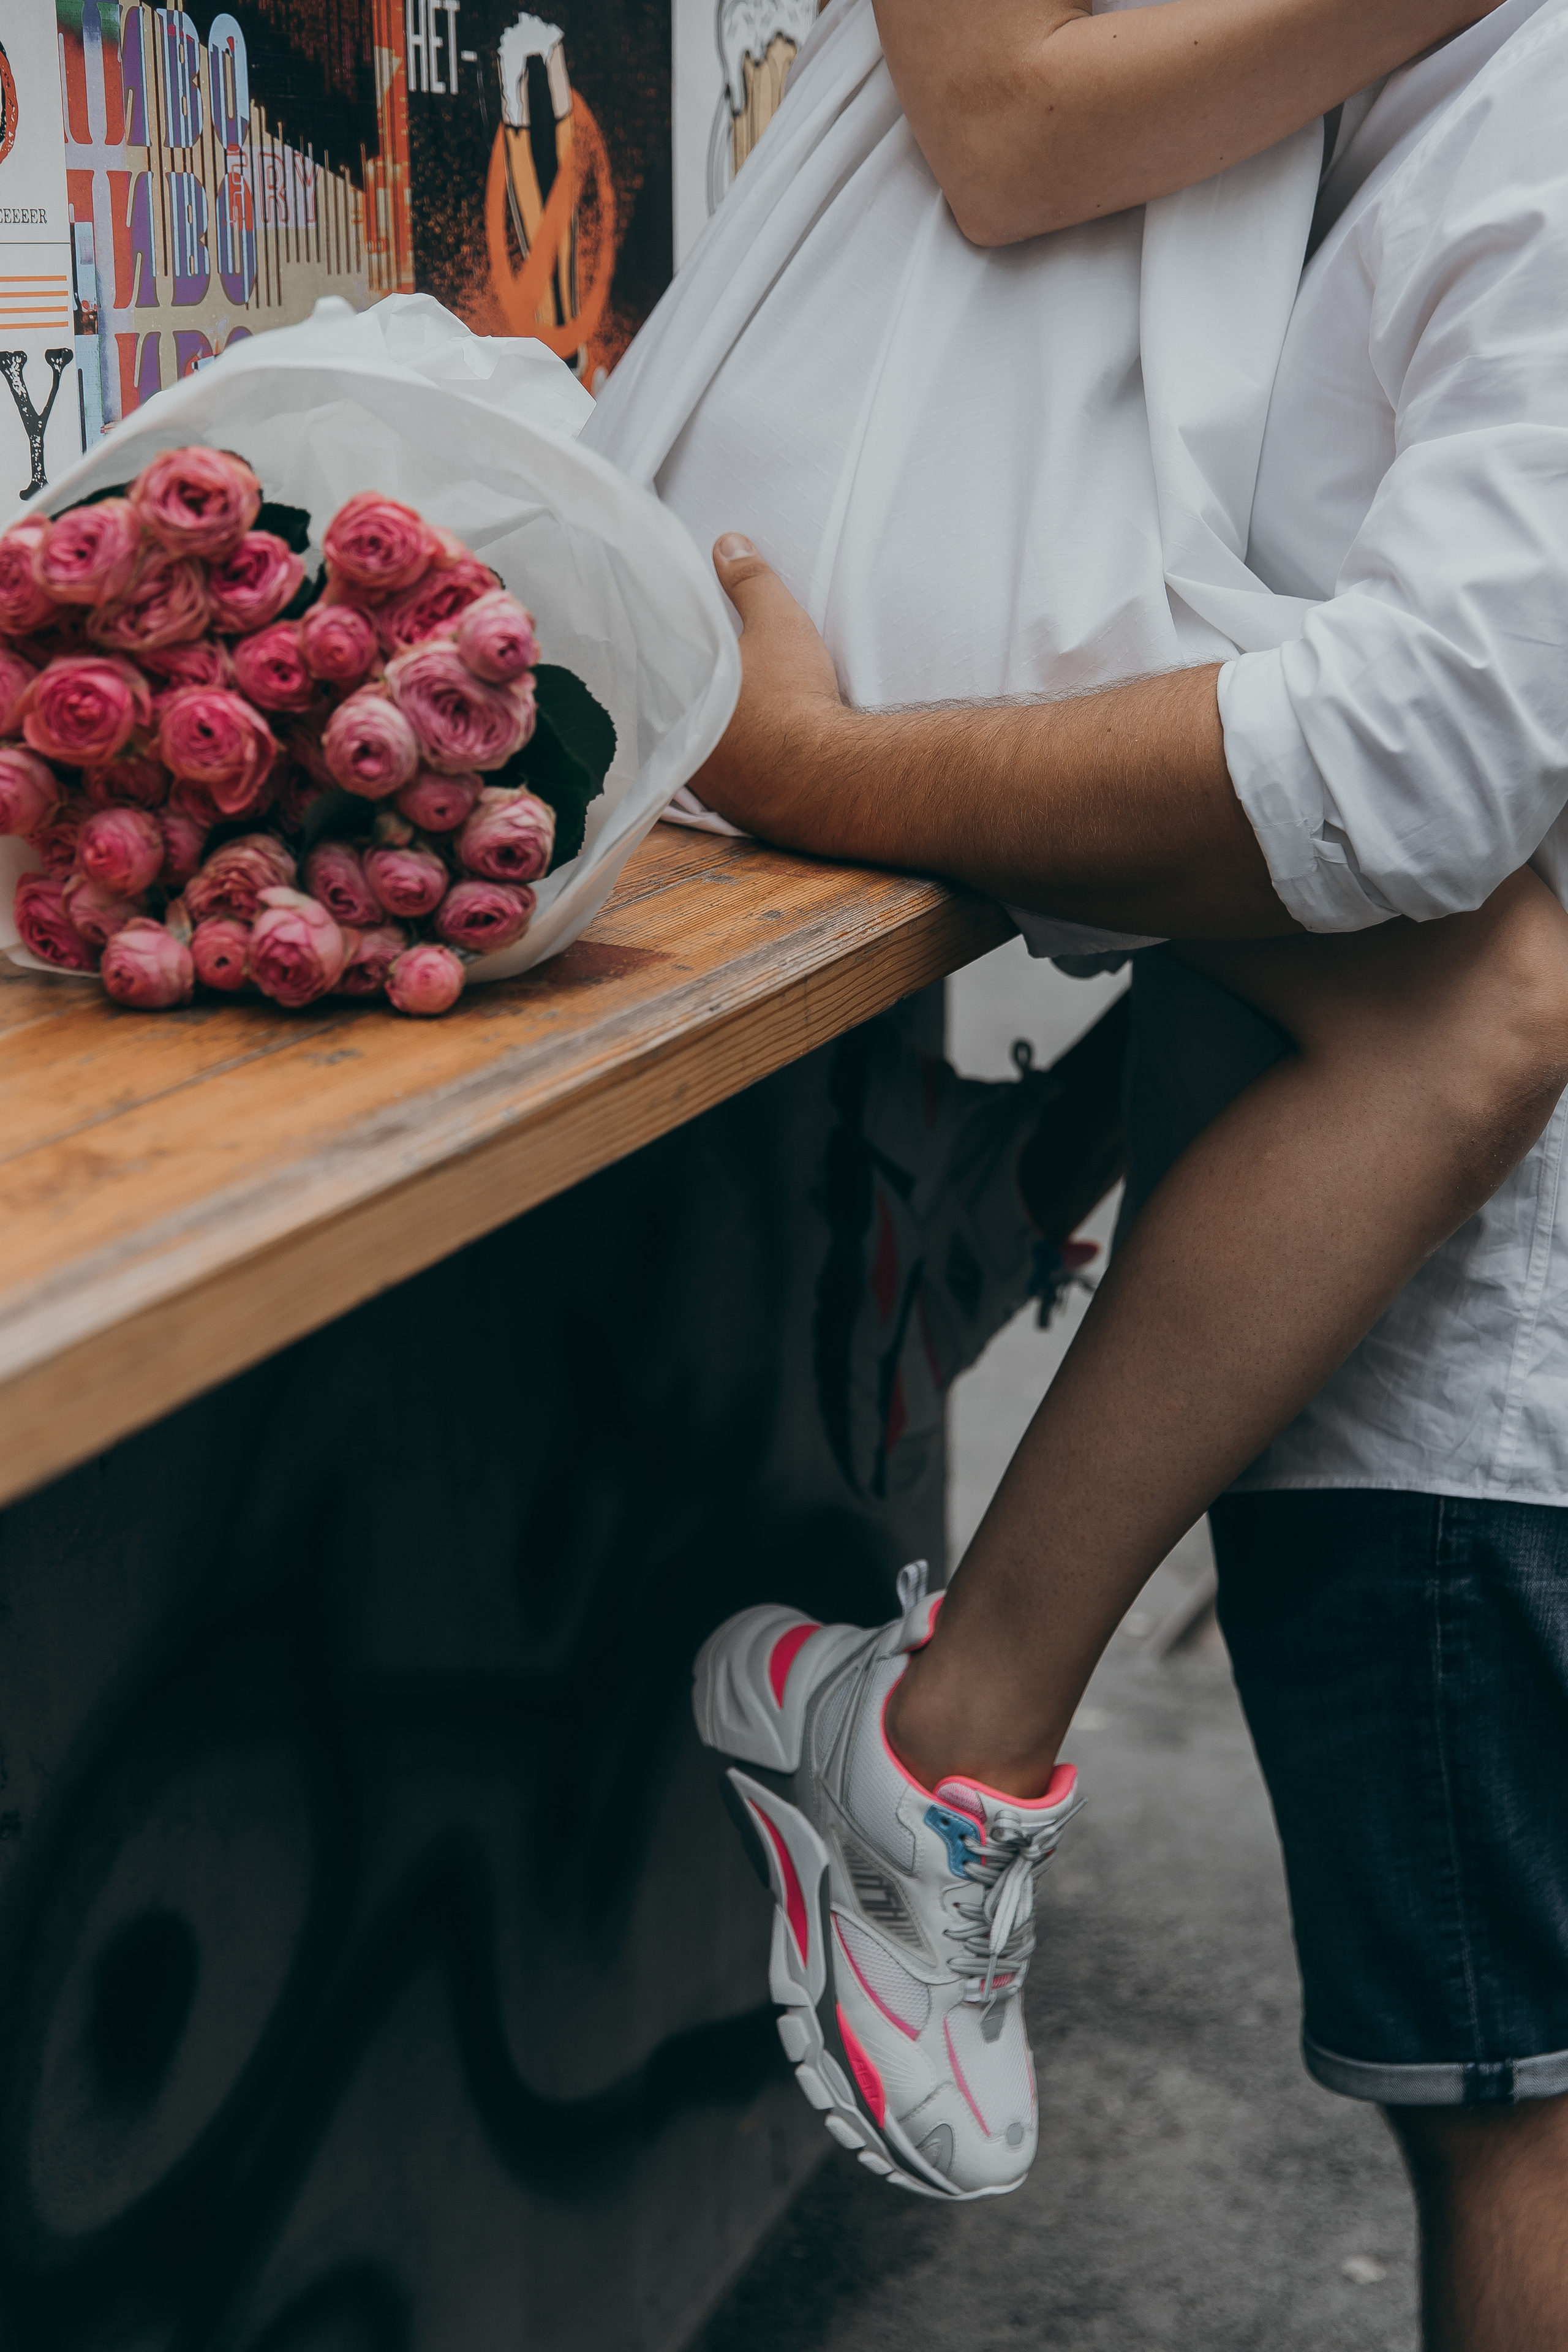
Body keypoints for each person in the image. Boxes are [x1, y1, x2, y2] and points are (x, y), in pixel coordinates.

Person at [661, 2, 1568, 2339]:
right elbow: (1005, 130)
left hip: (1482, 1334)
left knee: (1528, 2116)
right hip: (1428, 1247)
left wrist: (830, 769)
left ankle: (948, 1737)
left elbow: (1424, 755)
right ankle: (947, 1734)